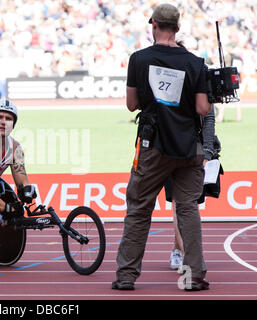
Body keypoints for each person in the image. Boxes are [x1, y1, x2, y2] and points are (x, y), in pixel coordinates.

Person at [111, 3, 212, 291]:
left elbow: (131, 104)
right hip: (190, 147)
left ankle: (127, 276)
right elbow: (203, 109)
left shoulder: (139, 59)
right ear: (178, 28)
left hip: (153, 145)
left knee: (139, 209)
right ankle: (194, 276)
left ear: (153, 24)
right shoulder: (196, 63)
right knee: (188, 208)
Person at [166, 107, 216, 270]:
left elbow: (208, 116)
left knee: (187, 202)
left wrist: (208, 150)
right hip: (167, 147)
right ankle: (187, 255)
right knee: (177, 200)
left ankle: (179, 250)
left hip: (194, 147)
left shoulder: (200, 82)